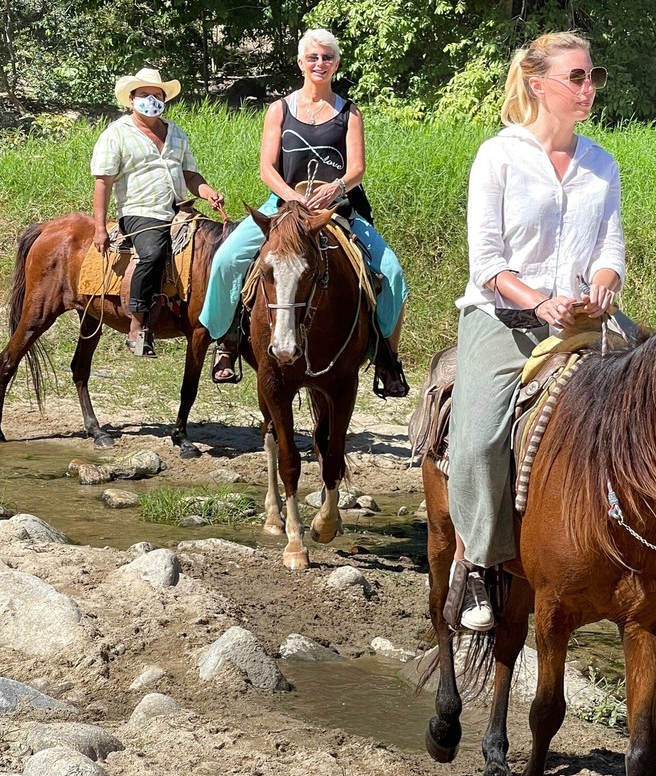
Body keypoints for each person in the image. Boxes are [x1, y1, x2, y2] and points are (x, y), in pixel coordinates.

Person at [446, 32, 624, 631]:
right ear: (537, 83)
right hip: (504, 319)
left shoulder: (602, 163)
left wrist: (602, 288)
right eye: (575, 78)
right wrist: (540, 302)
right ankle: (478, 562)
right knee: (475, 442)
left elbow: (610, 250)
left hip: (585, 319)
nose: (588, 88)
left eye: (591, 76)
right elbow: (487, 262)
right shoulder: (497, 156)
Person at [200, 28, 408, 396]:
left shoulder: (349, 112)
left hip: (336, 210)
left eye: (327, 57)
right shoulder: (279, 109)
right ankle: (227, 341)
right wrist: (291, 200)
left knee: (391, 272)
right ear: (300, 62)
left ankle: (387, 358)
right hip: (281, 207)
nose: (320, 63)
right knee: (227, 260)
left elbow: (357, 168)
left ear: (337, 64)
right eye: (313, 57)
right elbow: (267, 167)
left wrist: (336, 188)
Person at [92, 68, 225, 357]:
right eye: (144, 95)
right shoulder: (116, 133)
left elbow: (190, 175)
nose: (151, 100)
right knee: (152, 253)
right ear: (131, 99)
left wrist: (208, 191)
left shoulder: (175, 131)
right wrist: (100, 227)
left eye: (156, 95)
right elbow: (103, 182)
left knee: (217, 247)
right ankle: (137, 326)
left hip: (178, 209)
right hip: (140, 211)